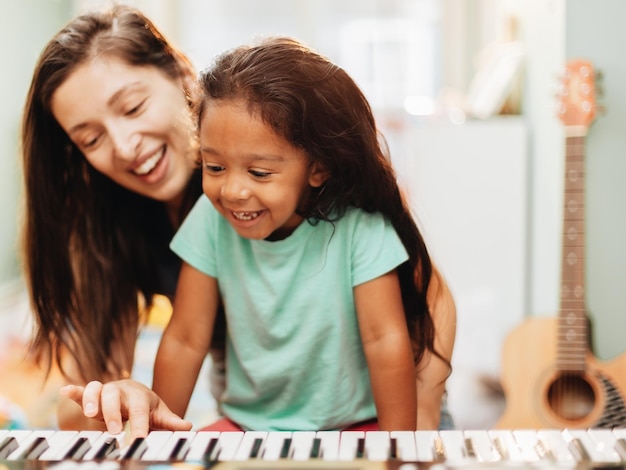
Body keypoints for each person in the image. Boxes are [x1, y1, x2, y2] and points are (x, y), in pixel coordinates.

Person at [63, 36, 457, 437]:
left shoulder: (360, 225)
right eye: (214, 167)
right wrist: (159, 437)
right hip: (247, 427)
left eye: (260, 173)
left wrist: (397, 448)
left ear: (317, 168)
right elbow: (185, 338)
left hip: (354, 425)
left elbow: (384, 340)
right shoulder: (208, 220)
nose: (232, 191)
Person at [20, 3, 226, 431]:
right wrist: (109, 398)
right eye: (91, 138)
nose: (125, 146)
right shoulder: (109, 220)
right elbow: (85, 397)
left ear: (183, 75)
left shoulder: (262, 182)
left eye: (132, 108)